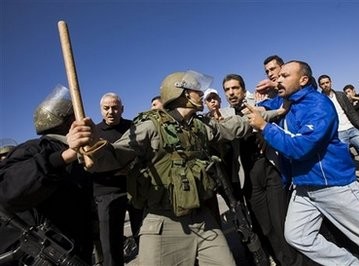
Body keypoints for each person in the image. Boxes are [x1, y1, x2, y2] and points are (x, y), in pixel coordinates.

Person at [66, 70, 275, 265]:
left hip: (203, 220)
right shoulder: (150, 127)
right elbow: (113, 156)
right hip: (164, 224)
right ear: (181, 94)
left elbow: (235, 127)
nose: (201, 94)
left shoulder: (199, 125)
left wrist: (276, 112)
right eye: (196, 90)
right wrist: (91, 147)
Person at [248, 60, 359, 266]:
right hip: (304, 188)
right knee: (298, 236)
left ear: (303, 80)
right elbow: (267, 107)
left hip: (333, 185)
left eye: (284, 76)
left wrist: (265, 127)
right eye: (277, 76)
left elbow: (301, 147)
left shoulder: (318, 104)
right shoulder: (287, 102)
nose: (277, 79)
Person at [222, 73, 312, 266]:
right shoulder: (225, 115)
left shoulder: (260, 104)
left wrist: (265, 130)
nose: (231, 93)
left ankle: (297, 262)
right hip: (249, 179)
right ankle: (282, 261)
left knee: (281, 223)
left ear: (243, 89)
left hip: (270, 170)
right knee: (266, 228)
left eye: (235, 88)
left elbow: (276, 116)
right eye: (227, 90)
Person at [0, 84, 94, 265]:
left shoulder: (81, 153)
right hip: (44, 253)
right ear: (70, 121)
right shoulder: (35, 148)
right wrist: (60, 158)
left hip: (76, 251)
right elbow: (8, 191)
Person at [92, 92, 143, 266]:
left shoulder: (135, 127)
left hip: (136, 189)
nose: (111, 112)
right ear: (101, 110)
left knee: (144, 236)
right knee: (110, 245)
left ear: (122, 109)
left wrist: (132, 166)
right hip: (107, 193)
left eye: (115, 108)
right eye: (106, 108)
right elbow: (89, 163)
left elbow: (145, 152)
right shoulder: (94, 134)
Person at [318, 75, 359, 197]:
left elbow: (352, 112)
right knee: (344, 160)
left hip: (352, 129)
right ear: (320, 86)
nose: (326, 85)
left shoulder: (340, 95)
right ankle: (350, 185)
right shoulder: (320, 99)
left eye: (327, 82)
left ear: (331, 82)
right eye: (323, 83)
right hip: (338, 133)